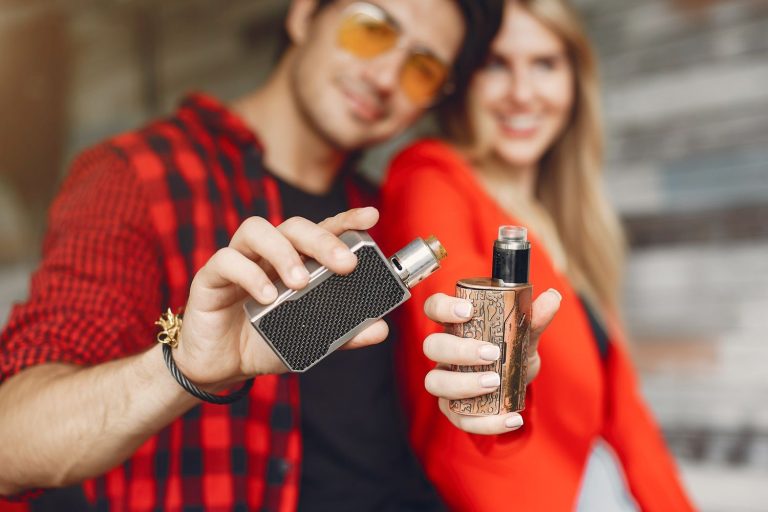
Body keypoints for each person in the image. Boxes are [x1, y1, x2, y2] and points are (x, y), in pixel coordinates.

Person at [0, 1, 538, 510]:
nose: (384, 79)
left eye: (422, 69)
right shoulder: (136, 176)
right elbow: (10, 445)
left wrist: (488, 391)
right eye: (372, 28)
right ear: (305, 13)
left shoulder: (392, 212)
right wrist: (183, 369)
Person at [379, 0, 695, 510]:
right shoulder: (430, 178)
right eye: (496, 65)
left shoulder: (570, 220)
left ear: (574, 79)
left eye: (545, 63)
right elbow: (469, 351)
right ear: (464, 81)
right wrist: (491, 364)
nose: (522, 93)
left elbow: (627, 418)